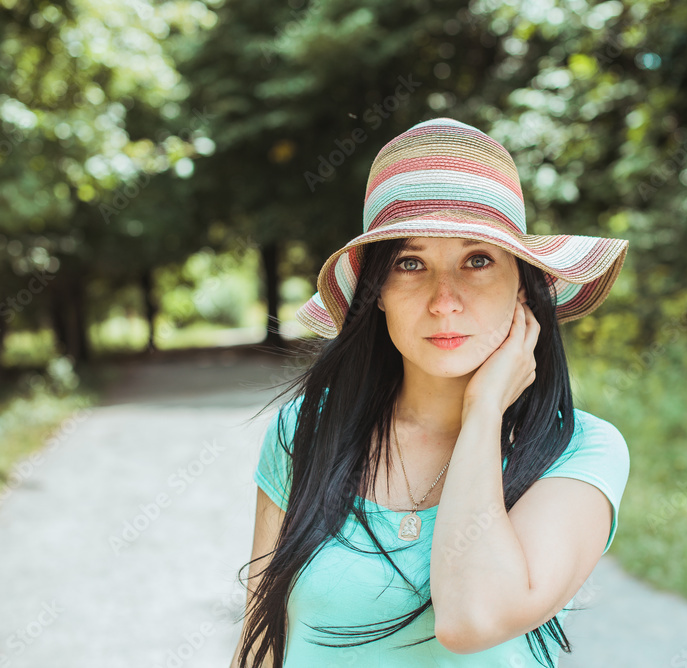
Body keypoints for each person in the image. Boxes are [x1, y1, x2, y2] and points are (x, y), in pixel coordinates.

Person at [231, 117, 631, 668]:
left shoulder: (580, 450)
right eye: (410, 263)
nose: (445, 300)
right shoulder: (307, 428)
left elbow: (473, 618)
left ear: (524, 285)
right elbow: (260, 647)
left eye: (478, 260)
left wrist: (485, 410)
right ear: (377, 292)